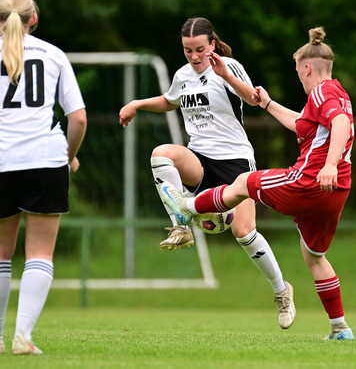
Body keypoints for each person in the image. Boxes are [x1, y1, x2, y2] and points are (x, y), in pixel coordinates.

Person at [159, 27, 356, 340]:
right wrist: (267, 103)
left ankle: (186, 207)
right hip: (337, 191)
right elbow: (301, 124)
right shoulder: (339, 94)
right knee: (314, 257)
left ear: (307, 68)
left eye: (298, 73)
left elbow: (340, 123)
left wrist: (329, 164)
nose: (300, 79)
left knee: (243, 183)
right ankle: (340, 328)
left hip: (309, 180)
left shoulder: (321, 92)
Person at [119, 17, 295, 329]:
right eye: (188, 50)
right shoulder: (183, 75)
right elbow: (170, 101)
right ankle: (181, 225)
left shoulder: (229, 66)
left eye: (200, 49)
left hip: (235, 160)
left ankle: (282, 291)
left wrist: (225, 74)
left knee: (245, 233)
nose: (194, 56)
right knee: (161, 154)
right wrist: (137, 104)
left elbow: (253, 99)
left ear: (212, 44)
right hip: (200, 157)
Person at [0, 0, 87, 355]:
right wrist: (69, 154)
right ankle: (24, 336)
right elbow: (78, 118)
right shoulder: (54, 54)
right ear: (33, 18)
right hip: (47, 160)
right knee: (40, 254)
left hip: (0, 161)